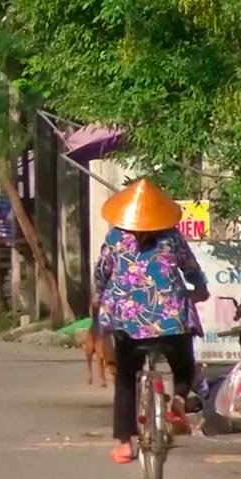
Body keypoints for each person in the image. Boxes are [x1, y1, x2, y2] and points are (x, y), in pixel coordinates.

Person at [93, 178, 209, 464]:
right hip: (171, 321)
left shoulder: (115, 239)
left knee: (125, 379)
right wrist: (200, 290)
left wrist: (99, 296)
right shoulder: (171, 238)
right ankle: (179, 402)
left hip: (127, 324)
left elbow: (101, 274)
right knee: (184, 369)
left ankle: (124, 443)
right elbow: (191, 269)